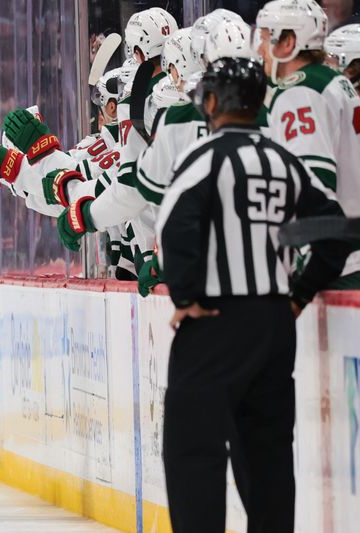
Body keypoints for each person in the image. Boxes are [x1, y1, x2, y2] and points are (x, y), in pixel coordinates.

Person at [156, 56, 352, 533]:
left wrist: (185, 295)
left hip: (214, 323)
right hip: (274, 324)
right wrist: (299, 294)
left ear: (211, 103)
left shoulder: (204, 158)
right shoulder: (284, 160)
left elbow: (174, 224)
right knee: (267, 455)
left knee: (193, 449)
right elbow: (337, 231)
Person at [255, 0, 360, 288]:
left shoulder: (298, 92)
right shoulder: (334, 81)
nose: (259, 50)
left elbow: (313, 182)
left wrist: (311, 268)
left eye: (264, 38)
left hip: (340, 264)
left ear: (288, 42)